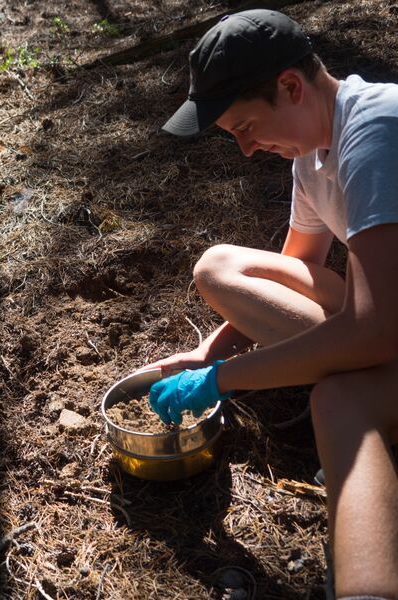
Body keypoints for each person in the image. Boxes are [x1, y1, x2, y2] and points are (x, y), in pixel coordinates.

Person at [147, 9, 398, 600]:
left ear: (290, 86)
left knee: (337, 400)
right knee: (219, 265)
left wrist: (224, 379)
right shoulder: (314, 149)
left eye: (245, 126)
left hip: (386, 327)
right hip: (385, 317)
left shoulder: (377, 133)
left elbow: (378, 330)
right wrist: (210, 353)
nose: (245, 149)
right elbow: (298, 267)